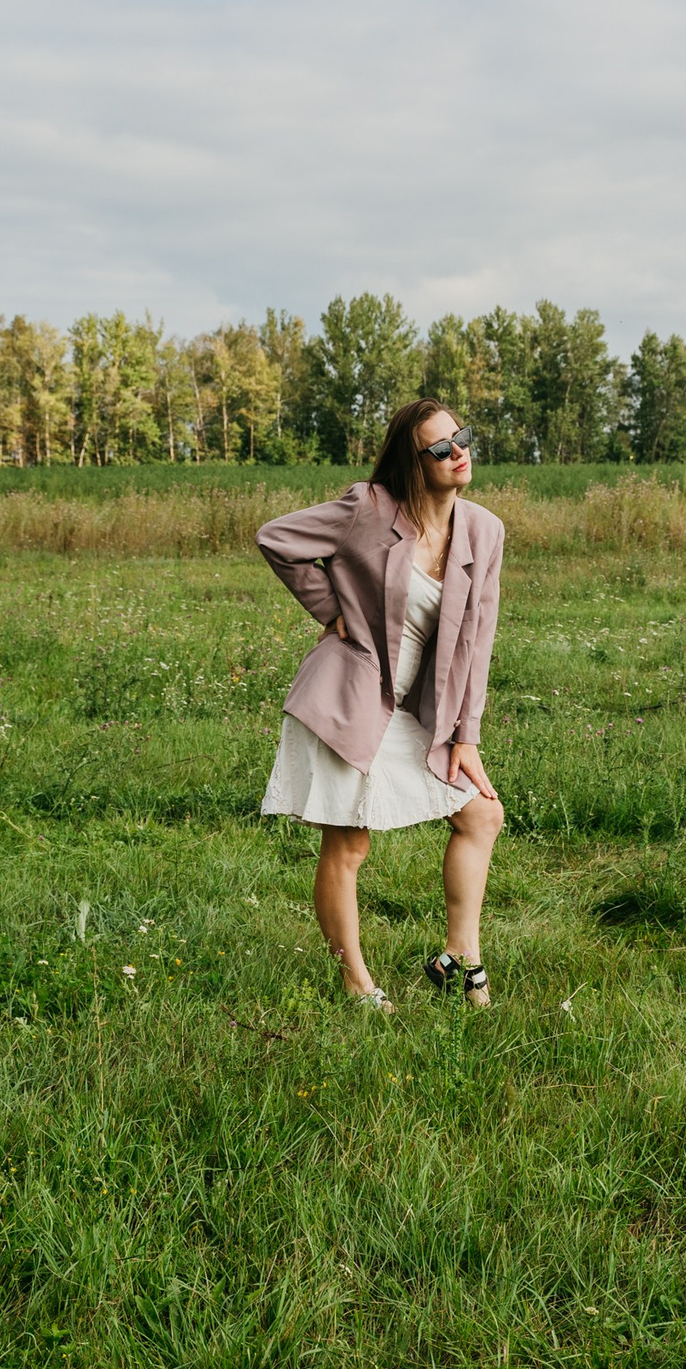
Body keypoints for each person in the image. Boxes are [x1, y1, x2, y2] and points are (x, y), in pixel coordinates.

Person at [256, 399, 506, 1010]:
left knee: (481, 815)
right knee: (349, 844)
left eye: (463, 438)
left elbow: (478, 641)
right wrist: (332, 610)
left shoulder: (484, 531)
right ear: (412, 460)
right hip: (350, 698)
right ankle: (356, 984)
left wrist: (465, 736)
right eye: (441, 447)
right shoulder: (367, 509)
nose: (459, 452)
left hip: (423, 707)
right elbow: (277, 539)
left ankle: (461, 960)